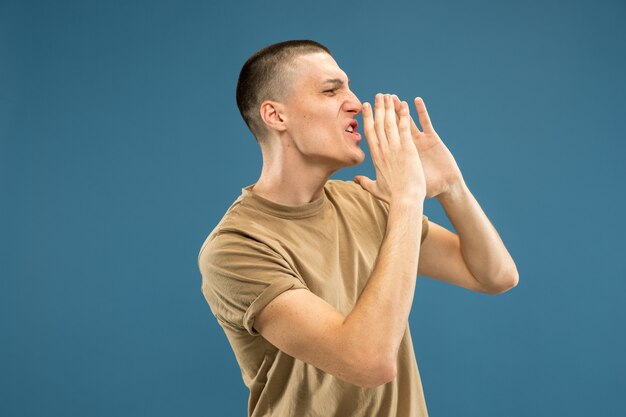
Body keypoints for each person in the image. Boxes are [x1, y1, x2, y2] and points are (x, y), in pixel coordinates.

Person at [197, 40, 519, 417]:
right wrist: (406, 198)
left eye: (349, 88)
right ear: (276, 116)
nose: (356, 103)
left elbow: (495, 275)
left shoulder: (362, 202)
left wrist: (452, 187)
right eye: (331, 90)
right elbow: (368, 362)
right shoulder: (236, 247)